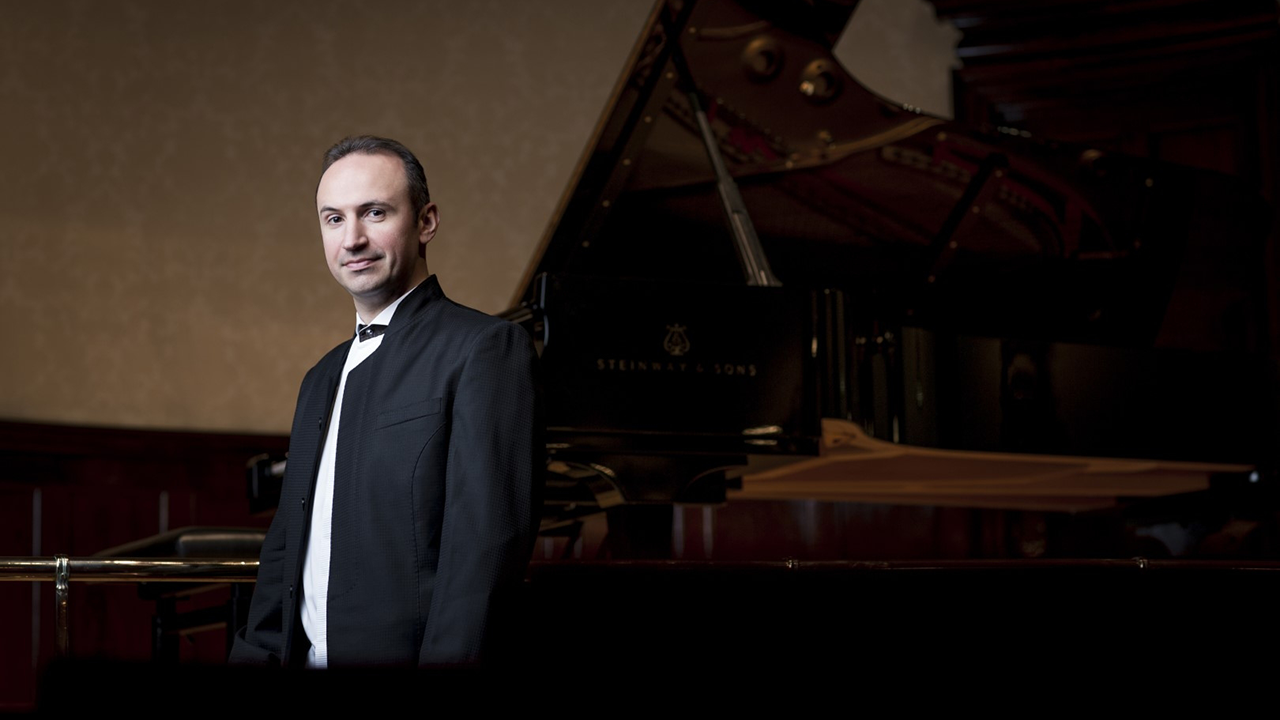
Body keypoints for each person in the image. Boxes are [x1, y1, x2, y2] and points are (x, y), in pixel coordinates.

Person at [230, 135, 541, 668]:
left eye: (374, 213)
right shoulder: (319, 377)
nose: (352, 239)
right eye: (334, 219)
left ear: (426, 222)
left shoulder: (485, 349)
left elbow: (484, 556)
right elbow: (287, 545)